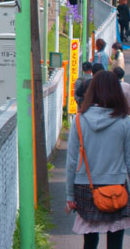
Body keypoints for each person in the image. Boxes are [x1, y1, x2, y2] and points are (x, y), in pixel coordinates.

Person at [66, 70, 130, 249]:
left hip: (86, 186)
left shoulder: (79, 120)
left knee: (90, 239)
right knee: (116, 239)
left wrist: (70, 195)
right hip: (117, 187)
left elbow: (71, 161)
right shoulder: (125, 121)